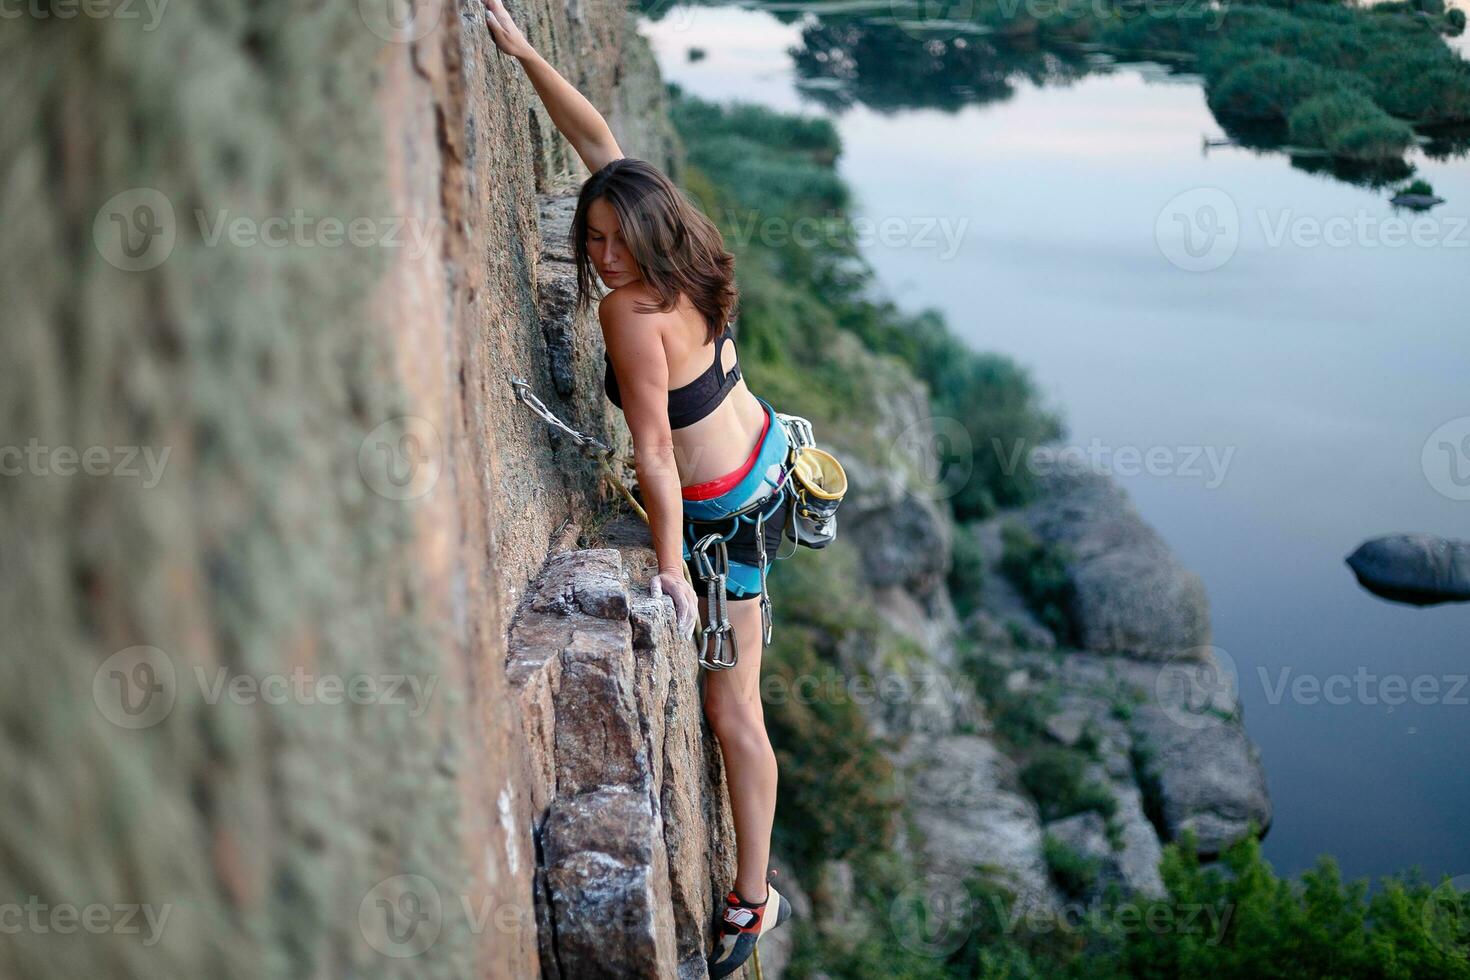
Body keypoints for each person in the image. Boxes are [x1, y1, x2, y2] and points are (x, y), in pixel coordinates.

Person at [483, 0, 793, 973]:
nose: (602, 252)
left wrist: (670, 569)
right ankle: (756, 888)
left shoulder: (629, 309)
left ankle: (754, 898)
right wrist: (526, 50)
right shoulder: (684, 250)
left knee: (733, 707)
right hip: (769, 464)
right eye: (594, 234)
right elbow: (599, 140)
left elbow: (655, 453)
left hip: (726, 519)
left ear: (643, 235)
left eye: (616, 238)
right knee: (737, 693)